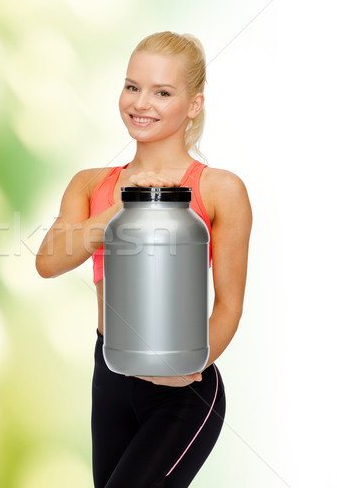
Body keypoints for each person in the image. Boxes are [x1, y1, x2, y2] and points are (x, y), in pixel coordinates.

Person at [35, 31, 252, 488]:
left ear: (193, 104)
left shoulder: (219, 189)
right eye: (133, 86)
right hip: (110, 377)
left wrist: (185, 366)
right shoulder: (90, 184)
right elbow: (50, 261)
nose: (142, 103)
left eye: (162, 92)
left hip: (183, 391)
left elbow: (228, 306)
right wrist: (124, 206)